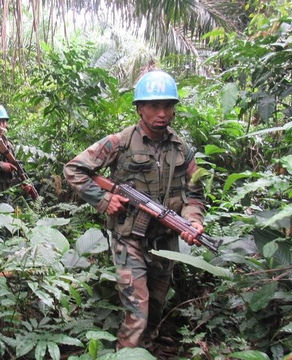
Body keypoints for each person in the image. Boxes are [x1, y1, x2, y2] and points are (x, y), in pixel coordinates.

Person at [63, 70, 205, 350]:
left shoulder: (182, 150)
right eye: (154, 105)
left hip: (165, 240)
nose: (161, 113)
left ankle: (146, 351)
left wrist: (193, 221)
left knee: (155, 308)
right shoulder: (120, 142)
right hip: (129, 238)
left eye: (167, 106)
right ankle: (126, 354)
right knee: (137, 311)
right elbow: (74, 169)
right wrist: (104, 200)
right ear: (140, 108)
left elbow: (195, 193)